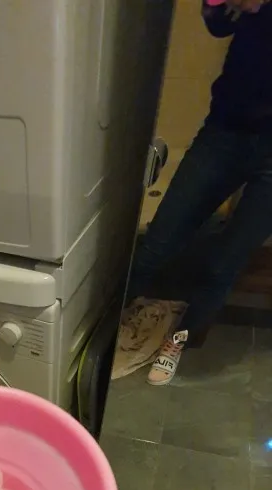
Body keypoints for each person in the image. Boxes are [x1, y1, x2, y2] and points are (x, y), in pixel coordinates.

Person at [129, 0, 272, 386]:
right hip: (225, 130)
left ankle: (178, 340)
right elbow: (218, 25)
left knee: (223, 265)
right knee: (157, 243)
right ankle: (104, 327)